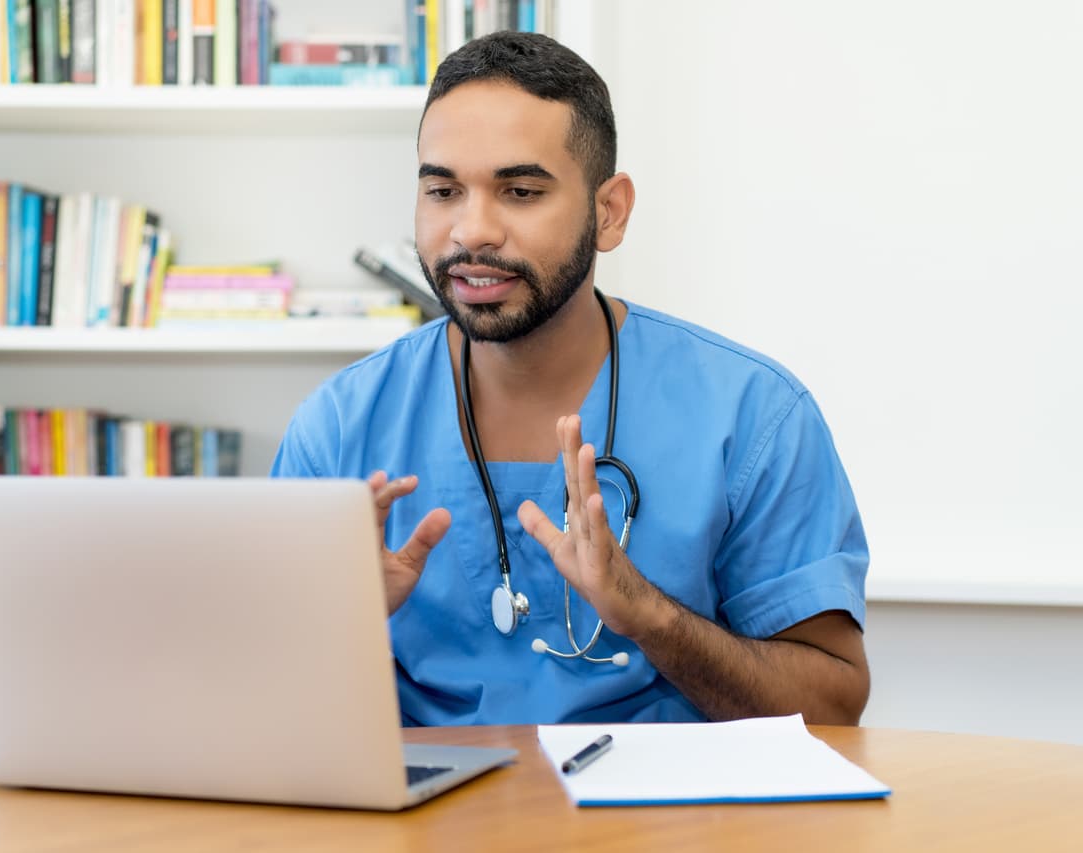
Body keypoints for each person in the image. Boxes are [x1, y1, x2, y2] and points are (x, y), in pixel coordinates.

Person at [271, 32, 870, 727]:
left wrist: (650, 616)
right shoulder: (338, 428)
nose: (472, 231)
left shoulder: (754, 416)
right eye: (443, 190)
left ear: (609, 212)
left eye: (520, 191)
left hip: (661, 799)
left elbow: (833, 709)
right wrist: (336, 629)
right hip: (425, 800)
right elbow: (259, 718)